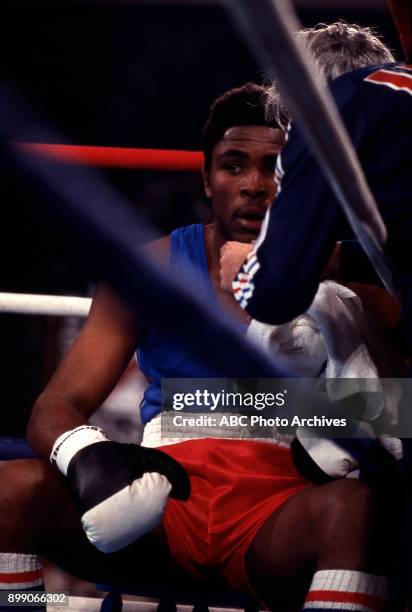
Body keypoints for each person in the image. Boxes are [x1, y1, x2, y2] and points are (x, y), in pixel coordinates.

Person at [0, 83, 396, 612]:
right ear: (207, 179)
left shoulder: (356, 281)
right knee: (12, 487)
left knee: (354, 509)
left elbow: (398, 414)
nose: (254, 185)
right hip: (164, 498)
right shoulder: (151, 269)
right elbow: (55, 405)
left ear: (299, 182)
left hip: (279, 508)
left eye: (273, 169)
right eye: (234, 166)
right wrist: (88, 456)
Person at [224, 23, 411, 356]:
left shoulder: (330, 111)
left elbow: (275, 294)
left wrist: (245, 270)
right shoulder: (394, 97)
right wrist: (342, 259)